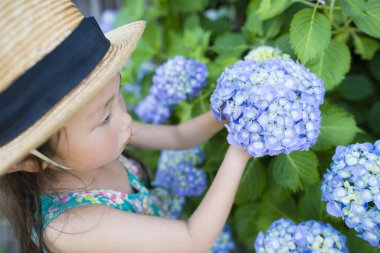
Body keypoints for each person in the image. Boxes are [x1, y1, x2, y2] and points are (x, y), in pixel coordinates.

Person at [0, 1, 251, 252]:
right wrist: (243, 144)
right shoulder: (69, 227)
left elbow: (179, 136)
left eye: (118, 93)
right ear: (28, 159)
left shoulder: (104, 140)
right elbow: (192, 239)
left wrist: (229, 111)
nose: (126, 119)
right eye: (104, 117)